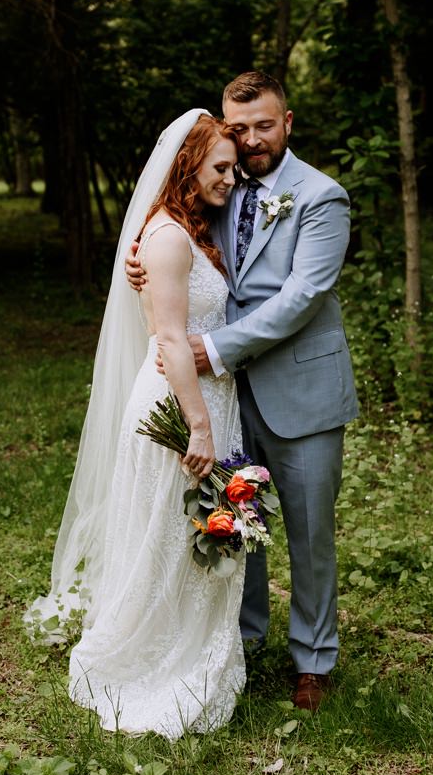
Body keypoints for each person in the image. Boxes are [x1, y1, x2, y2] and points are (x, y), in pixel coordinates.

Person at [130, 71, 356, 712]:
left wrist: (219, 348)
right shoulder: (222, 184)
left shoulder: (321, 197)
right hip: (231, 394)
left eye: (265, 125)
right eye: (241, 127)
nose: (252, 139)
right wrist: (144, 261)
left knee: (309, 530)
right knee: (236, 518)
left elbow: (303, 296)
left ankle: (312, 660)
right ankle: (243, 636)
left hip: (300, 388)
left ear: (289, 122)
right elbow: (187, 249)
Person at [24, 110, 249, 739]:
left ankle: (193, 640)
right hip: (182, 402)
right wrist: (199, 428)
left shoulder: (185, 229)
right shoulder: (171, 237)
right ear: (187, 166)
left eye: (233, 168)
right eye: (220, 168)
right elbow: (172, 341)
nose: (231, 179)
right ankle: (148, 654)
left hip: (201, 396)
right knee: (164, 535)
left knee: (181, 537)